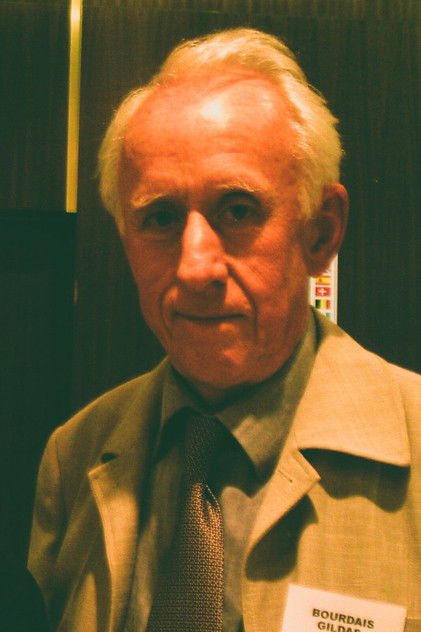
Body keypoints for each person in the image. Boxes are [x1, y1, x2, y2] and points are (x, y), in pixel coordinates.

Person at [28, 28, 421, 632]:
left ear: (320, 233)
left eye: (238, 211)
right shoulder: (75, 456)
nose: (195, 267)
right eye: (160, 218)